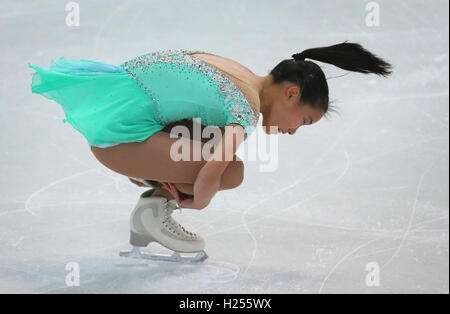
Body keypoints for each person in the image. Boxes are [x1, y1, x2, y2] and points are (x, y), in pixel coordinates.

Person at [28, 42, 392, 262]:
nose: (293, 131)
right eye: (304, 121)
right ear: (292, 93)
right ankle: (155, 210)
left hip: (115, 114)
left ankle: (149, 200)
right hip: (120, 137)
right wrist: (193, 201)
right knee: (231, 171)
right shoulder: (246, 107)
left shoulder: (240, 73)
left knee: (215, 145)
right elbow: (213, 173)